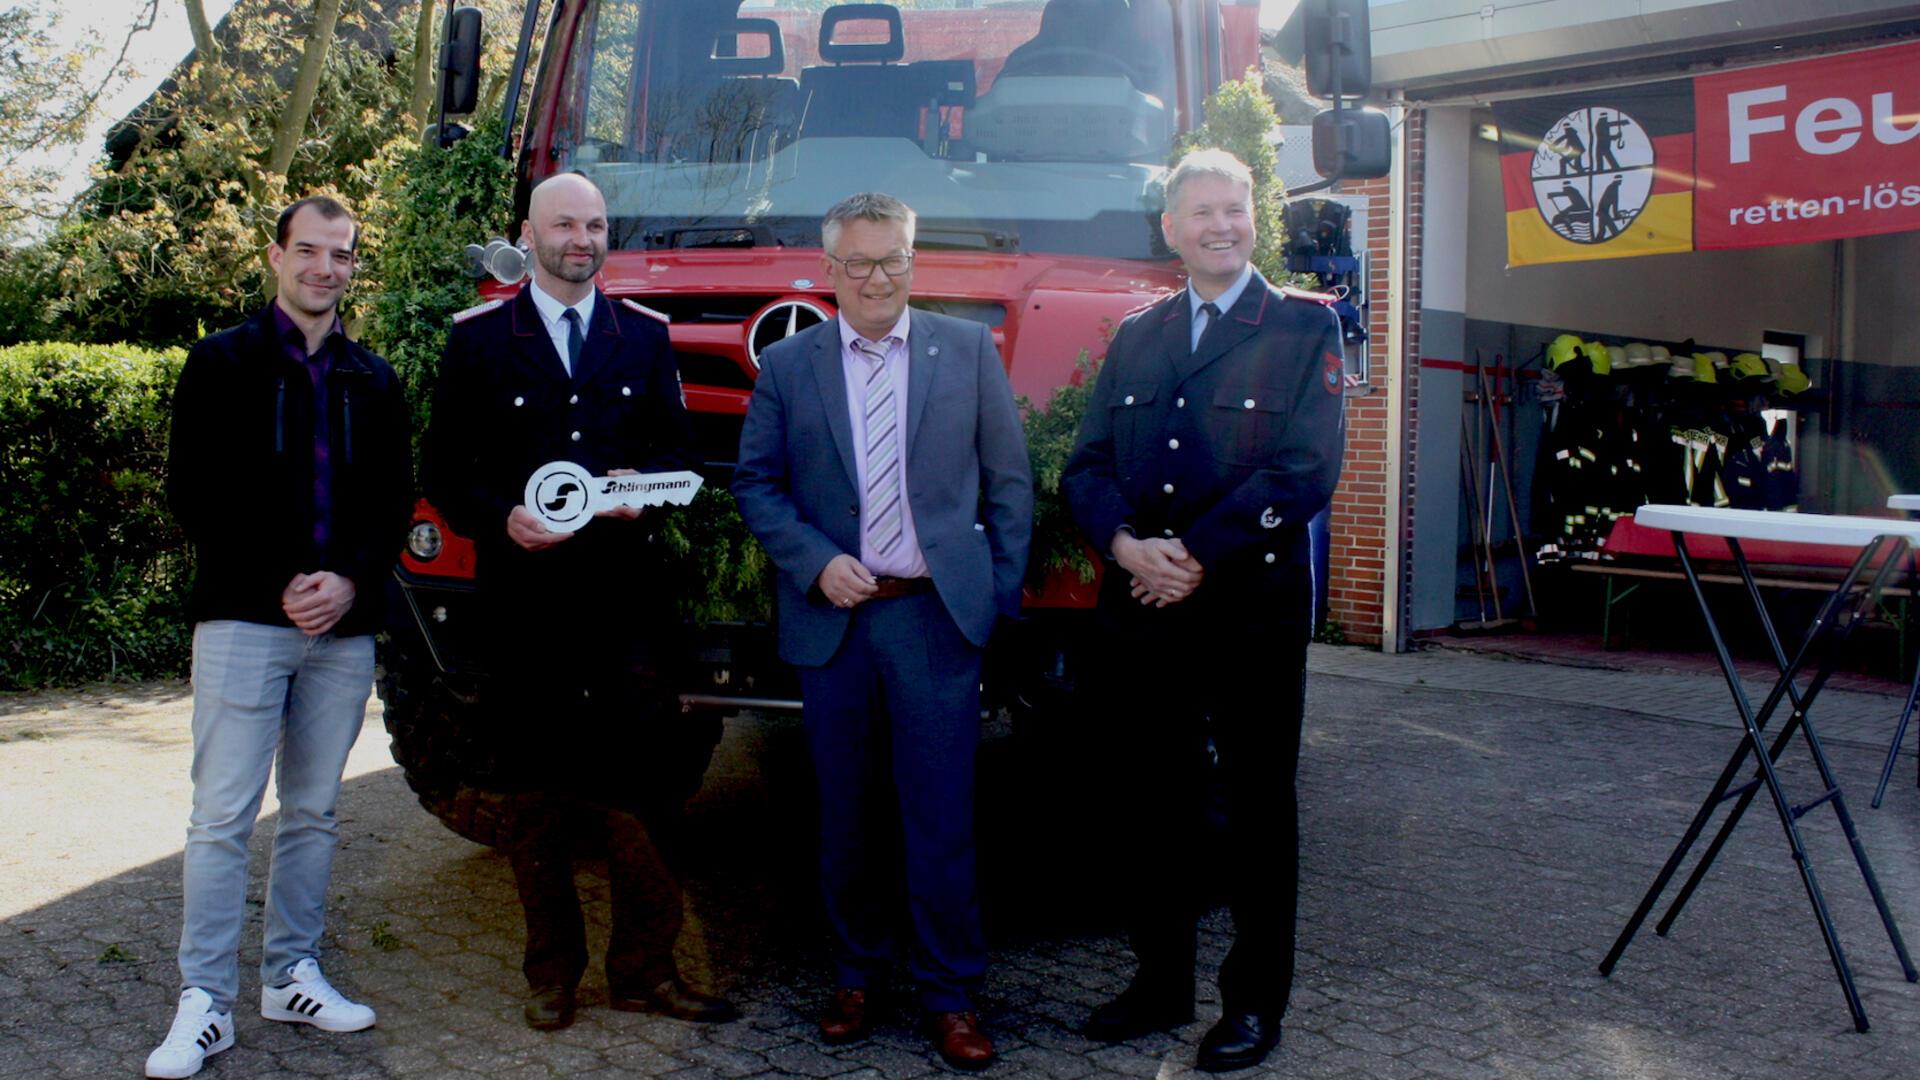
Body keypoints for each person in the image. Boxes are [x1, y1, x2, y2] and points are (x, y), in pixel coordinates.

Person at [421, 172, 735, 1033]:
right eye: (565, 224)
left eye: (595, 226)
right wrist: (502, 519)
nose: (582, 240)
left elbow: (684, 459)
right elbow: (446, 473)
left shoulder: (642, 337)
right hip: (522, 605)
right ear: (530, 232)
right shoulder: (481, 339)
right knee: (535, 793)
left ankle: (646, 969)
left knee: (642, 789)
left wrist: (647, 486)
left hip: (623, 608)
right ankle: (551, 973)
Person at [732, 192, 1033, 1071]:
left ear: (913, 260)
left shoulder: (967, 351)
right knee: (845, 815)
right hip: (837, 624)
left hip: (935, 621)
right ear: (829, 271)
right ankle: (856, 978)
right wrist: (815, 560)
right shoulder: (790, 367)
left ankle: (951, 995)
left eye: (892, 259)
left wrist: (993, 599)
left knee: (941, 817)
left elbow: (1009, 484)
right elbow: (757, 486)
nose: (877, 278)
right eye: (858, 262)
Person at [1061, 149, 1345, 1073]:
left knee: (1258, 809)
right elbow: (1089, 467)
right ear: (1171, 229)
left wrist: (1194, 556)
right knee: (1151, 801)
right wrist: (1124, 545)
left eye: (1236, 210)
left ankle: (1254, 1006)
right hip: (1144, 607)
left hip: (1248, 611)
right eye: (1203, 213)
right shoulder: (1139, 335)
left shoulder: (1304, 328)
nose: (1222, 226)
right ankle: (1159, 984)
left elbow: (1305, 469)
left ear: (1253, 220)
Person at [151, 196, 411, 1079]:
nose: (325, 268)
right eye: (310, 250)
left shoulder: (374, 379)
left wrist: (347, 581)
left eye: (341, 254)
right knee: (222, 817)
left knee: (313, 813)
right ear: (277, 256)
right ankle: (205, 1002)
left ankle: (290, 974)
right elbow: (194, 492)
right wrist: (280, 582)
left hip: (343, 630)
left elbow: (392, 506)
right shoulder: (219, 363)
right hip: (242, 620)